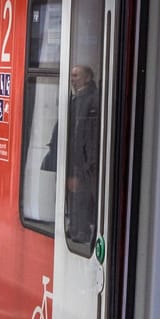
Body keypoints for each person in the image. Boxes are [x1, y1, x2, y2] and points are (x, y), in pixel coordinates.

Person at [64, 64, 101, 249]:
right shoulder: (76, 99)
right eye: (71, 75)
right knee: (75, 193)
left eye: (76, 75)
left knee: (82, 194)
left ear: (87, 78)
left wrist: (88, 161)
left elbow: (88, 133)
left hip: (85, 159)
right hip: (77, 156)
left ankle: (81, 230)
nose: (72, 79)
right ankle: (76, 227)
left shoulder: (91, 99)